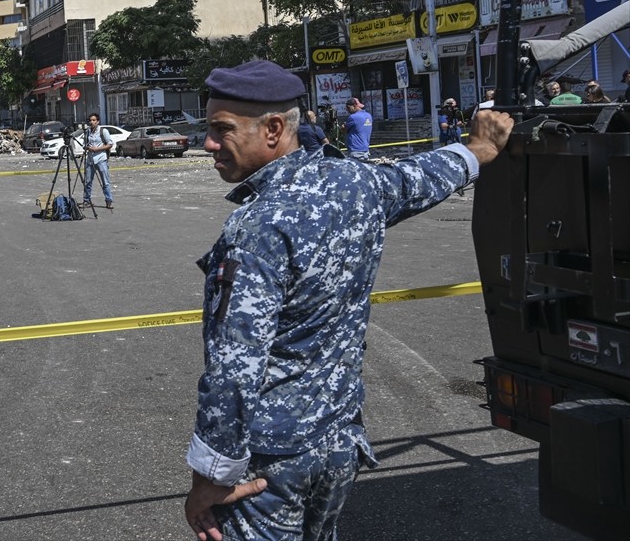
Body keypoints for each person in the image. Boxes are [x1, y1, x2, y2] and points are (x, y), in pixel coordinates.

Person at [183, 59, 514, 541]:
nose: (208, 143)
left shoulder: (257, 227)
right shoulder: (356, 184)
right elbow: (419, 176)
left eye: (221, 130)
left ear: (274, 128)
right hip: (338, 443)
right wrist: (481, 147)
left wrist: (210, 477)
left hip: (270, 462)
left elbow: (235, 368)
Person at [78, 113, 114, 210]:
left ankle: (109, 200)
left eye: (94, 120)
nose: (92, 122)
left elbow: (110, 144)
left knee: (105, 181)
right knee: (88, 181)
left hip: (101, 159)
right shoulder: (87, 132)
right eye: (90, 120)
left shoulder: (103, 131)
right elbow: (84, 145)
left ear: (97, 121)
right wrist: (88, 148)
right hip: (90, 160)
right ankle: (87, 200)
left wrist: (98, 149)